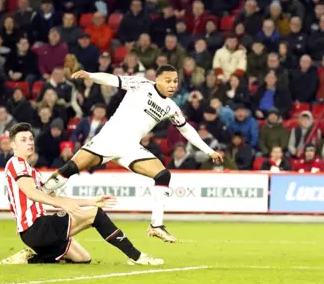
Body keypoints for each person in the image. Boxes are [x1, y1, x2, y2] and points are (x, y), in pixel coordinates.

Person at [42, 65, 223, 244]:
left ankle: (156, 225)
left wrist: (209, 151)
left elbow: (187, 130)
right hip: (107, 140)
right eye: (168, 81)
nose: (172, 85)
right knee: (69, 169)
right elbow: (112, 80)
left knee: (162, 175)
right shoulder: (141, 85)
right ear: (157, 79)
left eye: (175, 81)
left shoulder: (171, 107)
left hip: (130, 148)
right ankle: (40, 194)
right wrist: (90, 74)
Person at [0, 123, 162, 266]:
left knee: (83, 258)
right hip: (36, 227)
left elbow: (53, 198)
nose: (29, 143)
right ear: (13, 145)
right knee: (96, 215)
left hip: (36, 232)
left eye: (30, 139)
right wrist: (62, 204)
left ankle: (29, 258)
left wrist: (90, 201)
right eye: (23, 140)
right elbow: (31, 193)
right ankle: (137, 256)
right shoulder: (15, 163)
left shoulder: (32, 171)